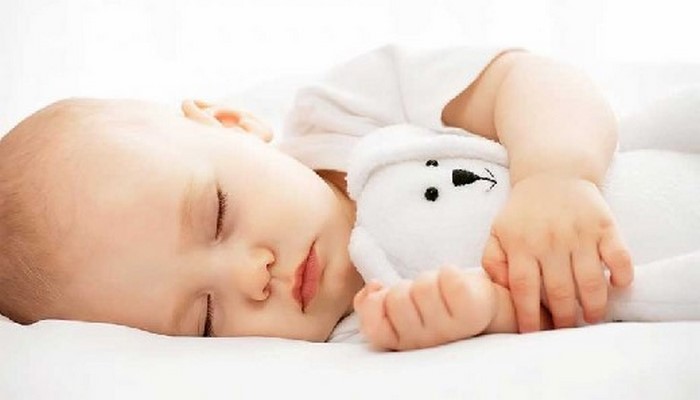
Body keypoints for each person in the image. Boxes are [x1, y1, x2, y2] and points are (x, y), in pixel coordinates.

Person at [0, 44, 633, 350]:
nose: (252, 277)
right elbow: (568, 308)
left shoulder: (348, 111)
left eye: (217, 214)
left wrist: (557, 177)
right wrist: (479, 313)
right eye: (206, 319)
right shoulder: (359, 339)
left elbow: (530, 78)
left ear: (231, 123)